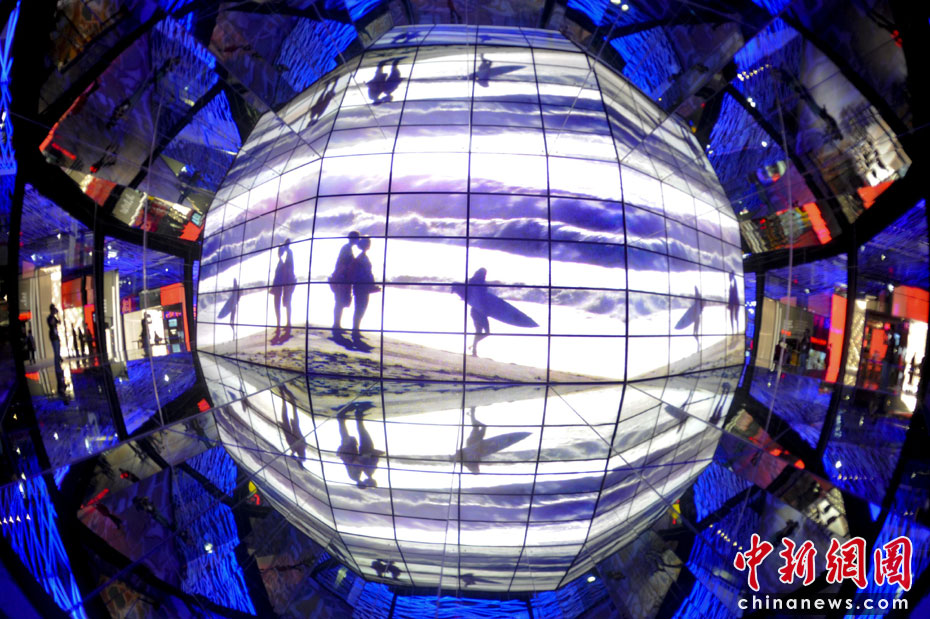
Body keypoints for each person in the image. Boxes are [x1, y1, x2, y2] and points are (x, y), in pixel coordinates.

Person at [336, 401, 381, 489]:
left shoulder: (358, 475)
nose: (367, 482)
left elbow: (355, 463)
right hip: (351, 453)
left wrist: (365, 456)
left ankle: (343, 417)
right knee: (353, 434)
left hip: (349, 453)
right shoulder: (362, 474)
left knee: (347, 435)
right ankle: (350, 417)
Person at [349, 236, 379, 347]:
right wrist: (371, 285)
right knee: (360, 309)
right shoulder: (362, 258)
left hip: (361, 287)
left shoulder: (361, 257)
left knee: (360, 309)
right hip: (362, 287)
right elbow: (364, 274)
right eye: (368, 243)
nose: (369, 245)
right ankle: (355, 331)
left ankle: (356, 330)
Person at [330, 231, 359, 339]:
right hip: (341, 279)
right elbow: (344, 265)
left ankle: (337, 324)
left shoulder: (347, 248)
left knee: (340, 303)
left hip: (341, 278)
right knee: (339, 302)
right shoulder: (347, 249)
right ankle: (336, 325)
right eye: (357, 238)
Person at [271, 239, 296, 342]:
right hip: (284, 283)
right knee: (285, 303)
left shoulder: (287, 255)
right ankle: (284, 324)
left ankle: (283, 325)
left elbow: (288, 270)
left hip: (284, 283)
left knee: (283, 304)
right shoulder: (285, 256)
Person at [466, 268, 491, 356]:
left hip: (478, 311)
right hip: (478, 311)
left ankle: (473, 348)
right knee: (484, 332)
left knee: (480, 331)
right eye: (484, 274)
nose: (485, 275)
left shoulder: (473, 282)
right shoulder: (478, 283)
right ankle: (474, 349)